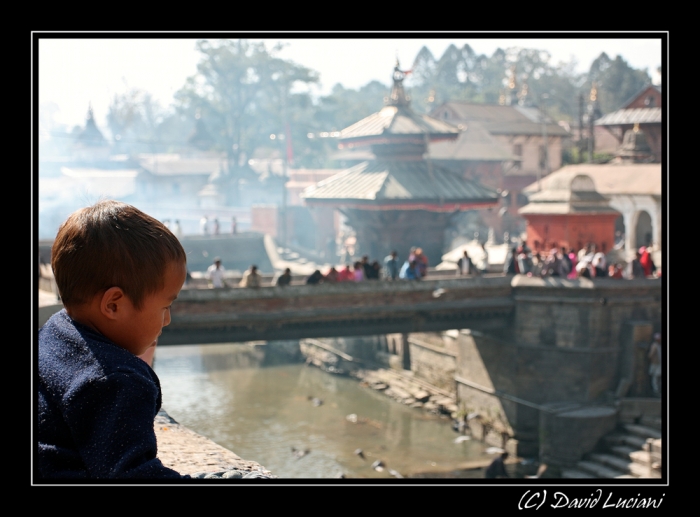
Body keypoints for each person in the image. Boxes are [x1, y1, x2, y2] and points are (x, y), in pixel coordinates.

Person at [38, 200, 189, 479]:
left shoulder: (52, 332)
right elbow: (132, 476)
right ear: (113, 305)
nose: (167, 320)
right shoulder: (117, 381)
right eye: (165, 307)